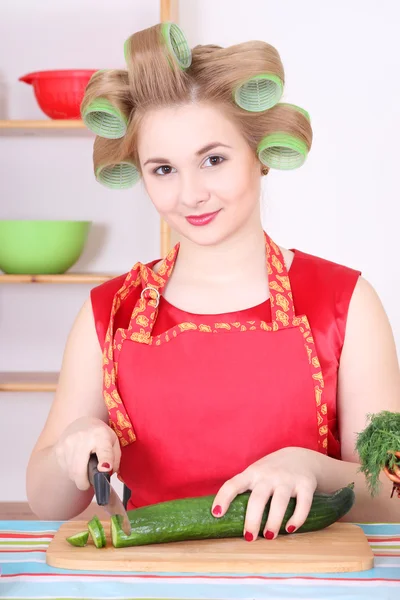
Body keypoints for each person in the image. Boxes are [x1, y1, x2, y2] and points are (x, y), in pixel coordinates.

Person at [26, 22, 400, 540]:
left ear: (260, 153)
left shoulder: (346, 303)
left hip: (307, 583)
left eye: (214, 159)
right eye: (163, 170)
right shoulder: (108, 313)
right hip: (145, 587)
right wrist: (74, 443)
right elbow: (46, 503)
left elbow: (393, 488)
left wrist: (313, 468)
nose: (191, 193)